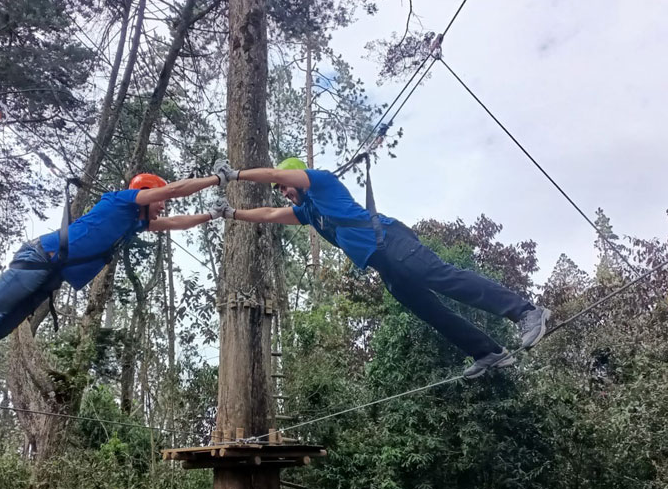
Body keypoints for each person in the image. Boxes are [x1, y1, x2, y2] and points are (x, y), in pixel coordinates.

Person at [0, 172, 225, 412]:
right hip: (39, 258)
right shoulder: (122, 201)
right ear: (148, 192)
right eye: (160, 199)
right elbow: (174, 192)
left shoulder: (135, 222)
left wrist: (214, 213)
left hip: (49, 275)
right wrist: (218, 179)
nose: (163, 208)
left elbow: (176, 222)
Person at [212, 157, 551, 378]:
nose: (283, 193)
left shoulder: (322, 182)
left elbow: (272, 172)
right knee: (431, 311)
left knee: (447, 280)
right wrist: (231, 213)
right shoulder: (308, 213)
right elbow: (270, 215)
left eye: (284, 186)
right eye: (279, 190)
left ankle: (526, 312)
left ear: (299, 178)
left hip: (391, 241)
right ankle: (489, 351)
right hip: (384, 265)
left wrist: (234, 175)